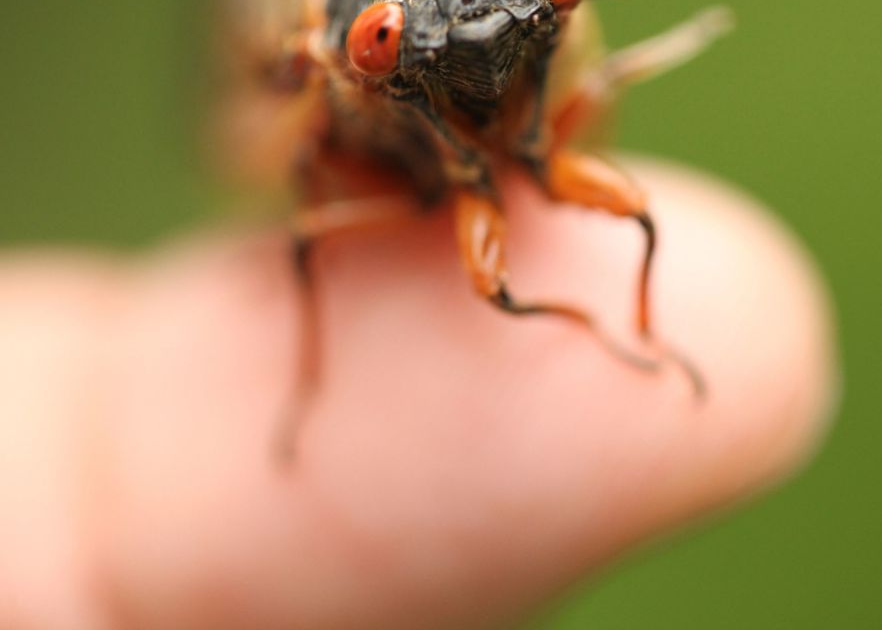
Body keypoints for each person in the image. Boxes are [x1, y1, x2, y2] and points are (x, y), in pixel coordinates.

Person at [0, 160, 835, 629]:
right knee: (341, 241)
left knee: (638, 219)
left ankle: (635, 328)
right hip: (379, 159)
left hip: (503, 156)